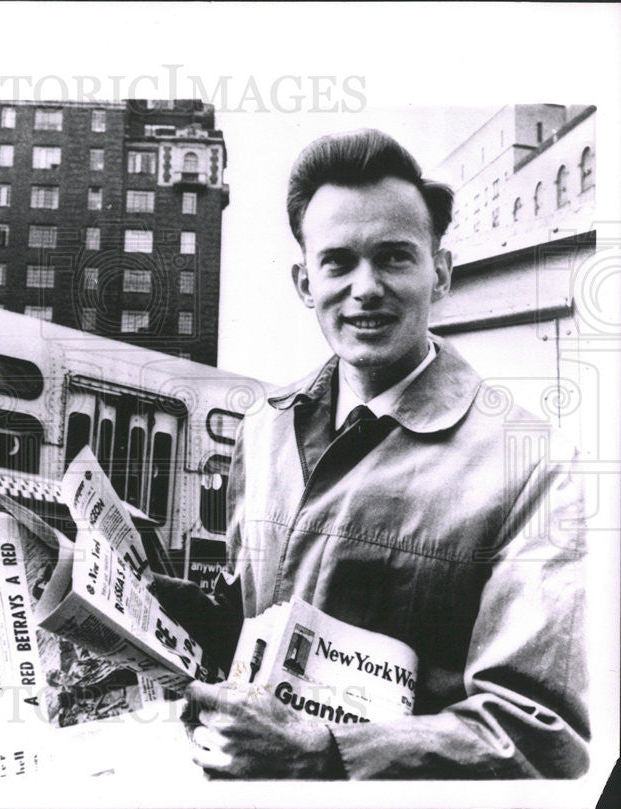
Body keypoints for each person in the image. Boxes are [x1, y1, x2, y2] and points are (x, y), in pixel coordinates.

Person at [153, 129, 589, 779]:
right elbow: (245, 614)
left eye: (394, 257)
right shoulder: (262, 429)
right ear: (305, 281)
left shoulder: (530, 465)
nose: (366, 288)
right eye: (338, 262)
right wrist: (116, 587)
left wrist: (325, 753)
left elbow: (542, 735)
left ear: (440, 273)